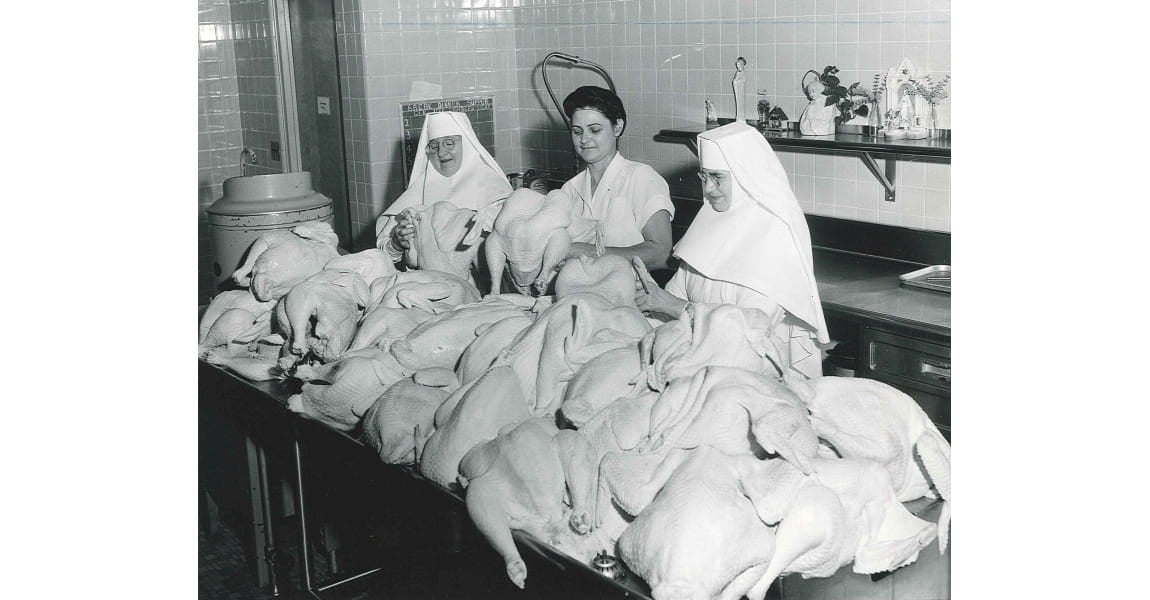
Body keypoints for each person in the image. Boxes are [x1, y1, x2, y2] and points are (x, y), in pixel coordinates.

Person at [631, 122, 830, 379]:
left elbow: (745, 333)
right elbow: (669, 303)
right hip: (696, 366)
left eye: (718, 177)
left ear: (746, 177)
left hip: (754, 380)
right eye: (704, 177)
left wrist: (671, 305)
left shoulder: (775, 241)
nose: (708, 189)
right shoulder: (707, 226)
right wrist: (648, 302)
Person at [557, 86, 674, 271]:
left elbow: (662, 254)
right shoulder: (569, 190)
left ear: (617, 127)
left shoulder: (641, 178)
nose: (584, 139)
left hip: (632, 294)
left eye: (595, 130)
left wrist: (589, 252)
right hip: (577, 291)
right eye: (577, 132)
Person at [375, 111, 512, 265]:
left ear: (466, 145)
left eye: (449, 143)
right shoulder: (418, 190)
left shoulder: (494, 190)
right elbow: (383, 253)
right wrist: (396, 243)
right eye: (434, 146)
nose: (441, 152)